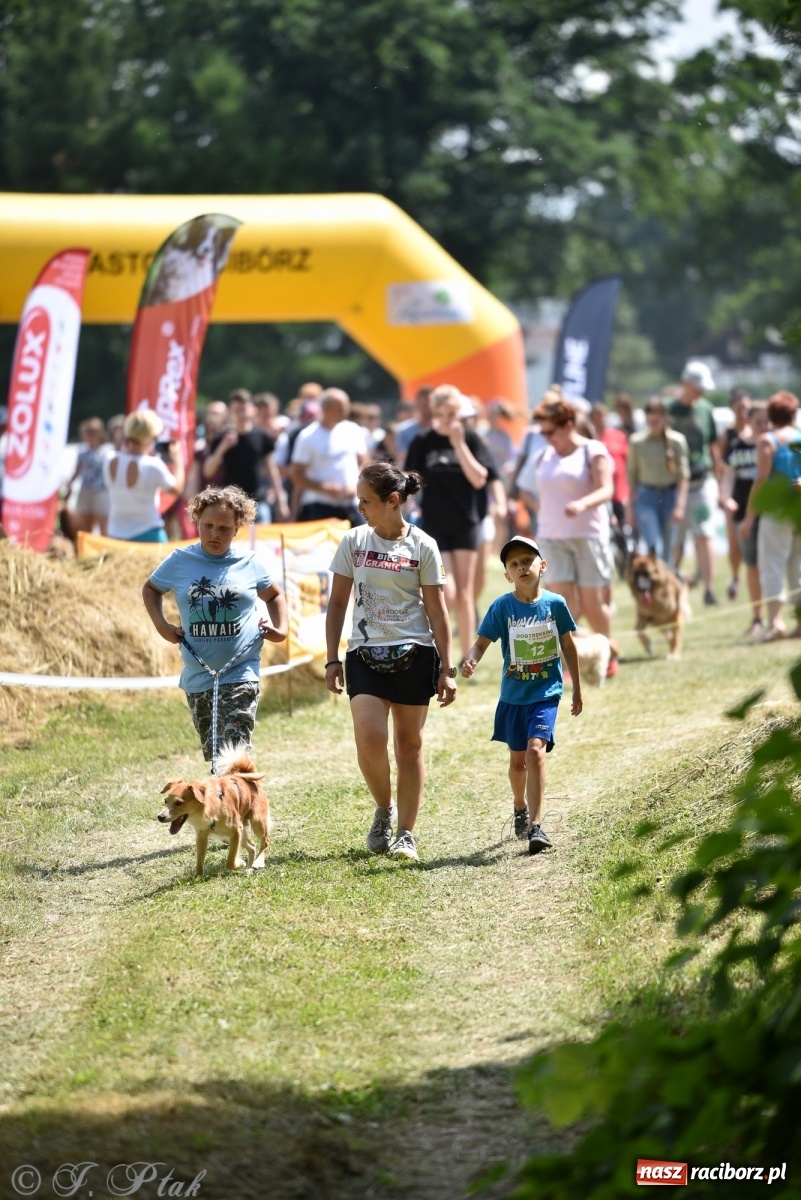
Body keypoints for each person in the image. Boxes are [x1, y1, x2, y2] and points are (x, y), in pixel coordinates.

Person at [324, 460, 457, 863]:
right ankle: (384, 809)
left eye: (366, 500)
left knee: (409, 746)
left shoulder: (423, 545)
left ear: (393, 501)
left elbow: (438, 612)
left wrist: (447, 670)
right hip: (364, 652)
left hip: (415, 654)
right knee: (368, 737)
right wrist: (332, 660)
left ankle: (405, 834)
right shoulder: (353, 542)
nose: (359, 507)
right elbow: (337, 603)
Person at [142, 485, 288, 762]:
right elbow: (150, 589)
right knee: (216, 754)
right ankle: (231, 800)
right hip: (198, 674)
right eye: (207, 525)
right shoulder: (179, 561)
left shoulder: (250, 563)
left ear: (237, 527)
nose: (214, 534)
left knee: (233, 750)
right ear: (196, 521)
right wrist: (162, 625)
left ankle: (242, 804)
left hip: (241, 670)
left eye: (224, 528)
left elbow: (275, 595)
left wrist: (281, 629)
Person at [461, 536, 582, 855]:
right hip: (513, 697)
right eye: (513, 564)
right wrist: (472, 658)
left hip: (546, 693)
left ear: (542, 565)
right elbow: (481, 642)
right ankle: (520, 808)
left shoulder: (555, 604)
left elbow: (569, 646)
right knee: (517, 763)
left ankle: (537, 826)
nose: (521, 567)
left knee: (535, 752)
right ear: (507, 575)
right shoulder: (502, 607)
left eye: (527, 560)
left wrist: (577, 691)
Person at [515, 396, 617, 672]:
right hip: (551, 536)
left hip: (588, 534)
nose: (546, 438)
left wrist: (583, 503)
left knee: (591, 605)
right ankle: (571, 660)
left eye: (551, 432)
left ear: (569, 424)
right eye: (542, 433)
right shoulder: (542, 456)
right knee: (562, 604)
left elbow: (607, 489)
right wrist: (542, 509)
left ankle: (607, 650)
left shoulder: (592, 450)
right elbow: (525, 488)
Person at [405, 384, 494, 665]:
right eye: (440, 413)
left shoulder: (472, 438)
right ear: (433, 413)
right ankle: (446, 653)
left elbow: (480, 478)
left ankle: (470, 655)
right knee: (448, 589)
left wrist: (459, 444)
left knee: (466, 592)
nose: (446, 419)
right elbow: (410, 476)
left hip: (466, 521)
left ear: (460, 413)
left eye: (451, 413)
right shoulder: (423, 440)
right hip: (434, 522)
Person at [740, 391, 801, 642]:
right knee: (798, 568)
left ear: (772, 415)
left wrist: (749, 518)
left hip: (776, 512)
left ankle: (775, 622)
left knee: (772, 566)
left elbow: (761, 481)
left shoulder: (767, 440)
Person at [668, 361, 722, 606]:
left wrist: (720, 481)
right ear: (685, 383)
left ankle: (709, 588)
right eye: (697, 387)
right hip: (675, 485)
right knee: (675, 540)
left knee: (704, 534)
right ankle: (672, 586)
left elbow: (713, 446)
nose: (701, 392)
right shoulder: (669, 410)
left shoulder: (707, 410)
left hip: (702, 482)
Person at [202, 389, 288, 522]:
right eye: (237, 410)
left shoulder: (261, 436)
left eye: (244, 409)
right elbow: (208, 470)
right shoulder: (222, 437)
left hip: (258, 501)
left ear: (252, 410)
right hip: (232, 503)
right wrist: (223, 447)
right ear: (231, 412)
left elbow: (271, 469)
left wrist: (281, 501)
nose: (241, 414)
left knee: (262, 540)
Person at [720, 399, 766, 639]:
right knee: (753, 565)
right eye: (758, 421)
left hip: (770, 514)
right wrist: (726, 498)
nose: (762, 426)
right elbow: (726, 476)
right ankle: (758, 616)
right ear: (749, 421)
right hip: (742, 514)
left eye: (766, 421)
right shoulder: (737, 446)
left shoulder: (775, 445)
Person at [104, 410, 185, 543]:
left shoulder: (109, 458)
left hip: (116, 534)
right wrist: (178, 460)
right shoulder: (153, 465)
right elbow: (176, 489)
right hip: (149, 534)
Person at [291, 387, 369, 524]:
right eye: (339, 408)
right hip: (319, 506)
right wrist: (325, 488)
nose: (345, 412)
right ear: (326, 409)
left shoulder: (353, 430)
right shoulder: (308, 436)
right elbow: (297, 475)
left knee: (361, 545)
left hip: (352, 504)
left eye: (346, 407)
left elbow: (365, 463)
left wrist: (357, 485)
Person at [626, 398, 690, 564]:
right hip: (647, 497)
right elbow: (632, 476)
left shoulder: (677, 441)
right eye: (649, 421)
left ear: (664, 418)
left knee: (668, 550)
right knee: (654, 547)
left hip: (670, 496)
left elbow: (683, 475)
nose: (652, 425)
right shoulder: (637, 442)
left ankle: (666, 586)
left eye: (656, 421)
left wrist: (680, 506)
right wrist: (630, 508)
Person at [718, 388, 752, 602]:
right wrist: (723, 492)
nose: (743, 413)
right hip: (734, 494)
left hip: (754, 493)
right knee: (734, 541)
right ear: (732, 409)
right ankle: (735, 577)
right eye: (739, 409)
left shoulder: (756, 433)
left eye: (746, 409)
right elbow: (720, 463)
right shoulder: (728, 435)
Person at [65, 417, 110, 536]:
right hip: (86, 490)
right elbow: (77, 470)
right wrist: (69, 483)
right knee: (85, 526)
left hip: (102, 491)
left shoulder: (107, 452)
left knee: (103, 524)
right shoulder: (83, 451)